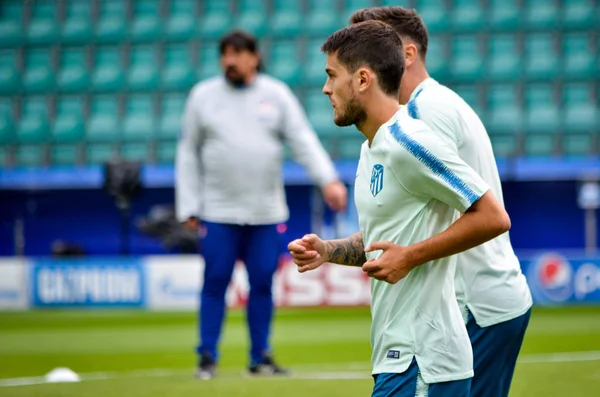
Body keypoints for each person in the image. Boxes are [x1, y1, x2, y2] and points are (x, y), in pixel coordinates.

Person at [288, 20, 512, 397]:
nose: (326, 88)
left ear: (362, 79)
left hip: (423, 360)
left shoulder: (410, 141)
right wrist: (328, 251)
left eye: (332, 76)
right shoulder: (371, 147)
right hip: (401, 359)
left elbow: (493, 217)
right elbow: (390, 239)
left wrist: (409, 257)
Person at [349, 7, 533, 397]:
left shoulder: (421, 114)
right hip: (489, 296)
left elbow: (483, 215)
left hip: (473, 302)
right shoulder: (432, 106)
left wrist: (410, 255)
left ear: (408, 54)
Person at [176, 30, 348, 379]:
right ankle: (207, 357)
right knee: (216, 281)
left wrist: (327, 179)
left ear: (254, 57)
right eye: (225, 54)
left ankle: (260, 357)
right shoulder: (203, 97)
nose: (230, 60)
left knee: (262, 284)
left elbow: (302, 139)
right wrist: (188, 206)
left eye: (237, 53)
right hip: (217, 211)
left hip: (266, 212)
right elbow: (187, 153)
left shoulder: (276, 95)